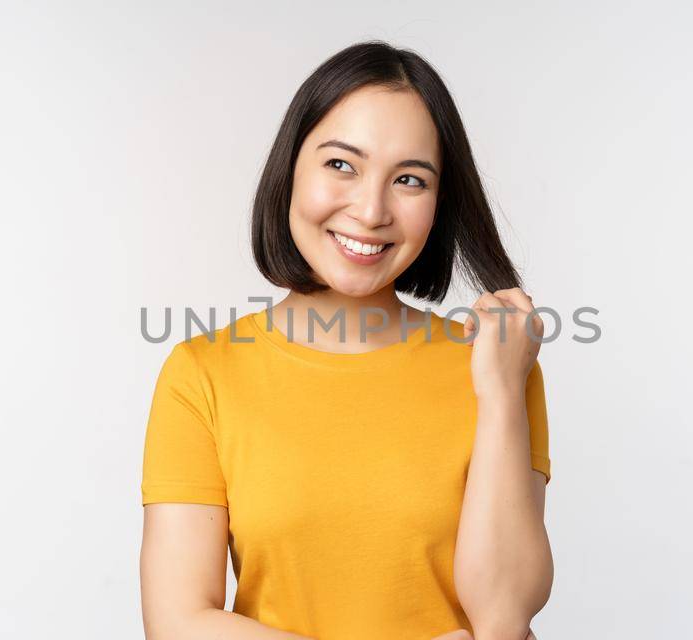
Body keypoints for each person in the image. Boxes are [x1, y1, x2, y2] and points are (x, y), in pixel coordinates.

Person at [139, 40, 552, 640]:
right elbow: (177, 624)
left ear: (439, 204)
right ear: (291, 169)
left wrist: (500, 393)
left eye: (409, 179)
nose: (371, 209)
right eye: (341, 165)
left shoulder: (497, 365)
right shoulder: (202, 373)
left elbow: (503, 617)